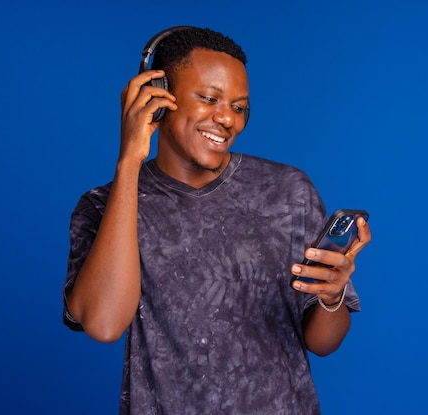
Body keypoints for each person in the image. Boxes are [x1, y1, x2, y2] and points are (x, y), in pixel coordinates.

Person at [63, 26, 371, 414]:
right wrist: (129, 163)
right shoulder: (102, 206)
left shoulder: (287, 191)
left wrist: (331, 297)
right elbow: (103, 324)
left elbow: (323, 343)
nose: (228, 119)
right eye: (210, 98)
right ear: (158, 95)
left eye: (240, 107)